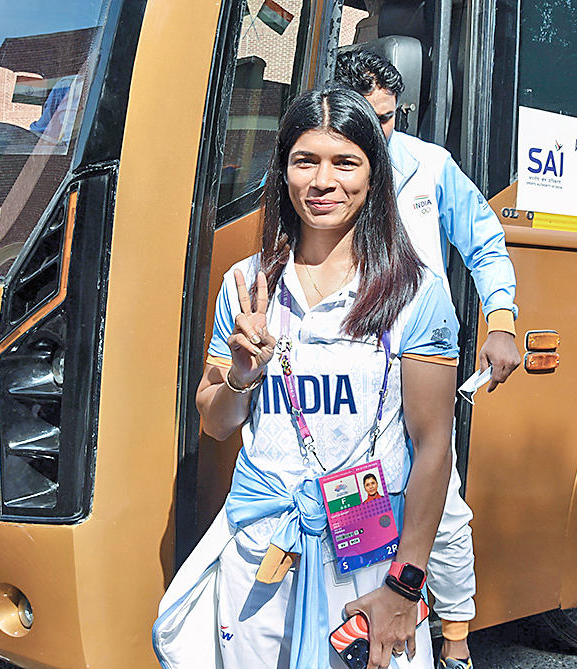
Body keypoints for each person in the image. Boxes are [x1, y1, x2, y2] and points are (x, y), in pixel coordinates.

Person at [153, 87, 458, 669]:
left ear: (375, 174)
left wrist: (405, 585)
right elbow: (216, 423)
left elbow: (432, 446)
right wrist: (243, 373)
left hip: (369, 554)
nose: (322, 182)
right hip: (261, 547)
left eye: (345, 162)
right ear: (284, 171)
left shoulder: (416, 293)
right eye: (304, 161)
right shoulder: (248, 285)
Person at [335, 49, 522, 669]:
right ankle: (358, 628)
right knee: (349, 501)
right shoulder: (319, 176)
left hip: (417, 365)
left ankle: (457, 647)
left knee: (441, 507)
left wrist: (500, 320)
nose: (380, 134)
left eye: (389, 119)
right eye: (368, 119)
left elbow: (485, 241)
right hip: (342, 368)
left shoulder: (429, 167)